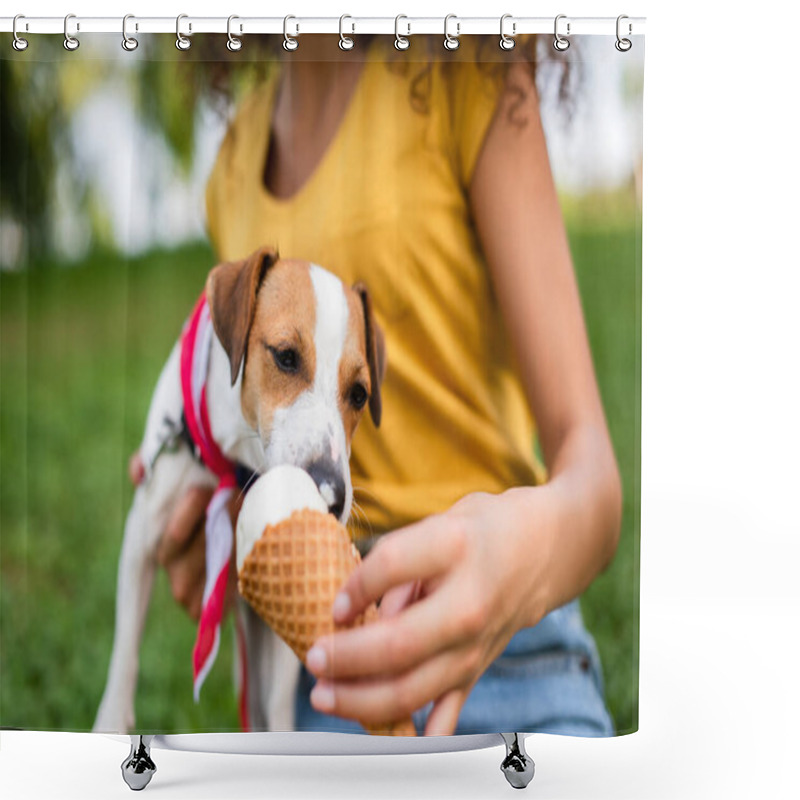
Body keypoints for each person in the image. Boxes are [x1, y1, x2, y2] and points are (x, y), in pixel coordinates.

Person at [135, 34, 622, 737]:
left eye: (358, 395)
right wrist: (211, 524)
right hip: (329, 671)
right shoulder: (234, 160)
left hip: (514, 662)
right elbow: (250, 427)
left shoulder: (470, 69)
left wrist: (512, 564)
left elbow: (596, 483)